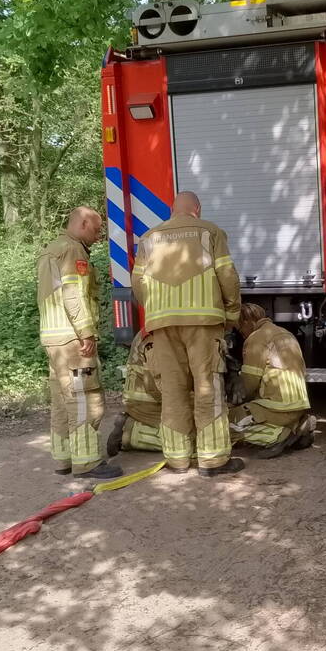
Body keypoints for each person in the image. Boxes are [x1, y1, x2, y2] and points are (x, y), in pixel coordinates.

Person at [132, 191, 243, 476]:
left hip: (162, 326)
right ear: (198, 209)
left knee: (172, 390)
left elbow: (137, 282)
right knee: (207, 387)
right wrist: (232, 313)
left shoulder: (148, 238)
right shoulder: (209, 231)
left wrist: (155, 310)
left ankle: (178, 459)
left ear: (171, 210)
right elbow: (227, 275)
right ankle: (213, 460)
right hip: (203, 322)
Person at [35, 207, 123, 479]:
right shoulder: (72, 251)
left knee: (63, 402)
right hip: (73, 340)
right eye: (96, 230)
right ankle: (87, 463)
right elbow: (73, 296)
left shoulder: (52, 248)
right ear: (84, 223)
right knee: (86, 399)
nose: (98, 237)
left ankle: (64, 459)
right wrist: (86, 332)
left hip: (53, 338)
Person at [229, 303, 316, 458]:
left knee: (225, 425)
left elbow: (249, 384)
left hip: (276, 407)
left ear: (248, 322)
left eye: (240, 327)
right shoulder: (285, 333)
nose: (240, 332)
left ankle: (279, 435)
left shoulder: (255, 339)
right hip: (299, 405)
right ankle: (300, 425)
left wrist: (233, 402)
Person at [106, 330, 163, 455]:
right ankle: (130, 433)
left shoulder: (156, 331)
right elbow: (156, 387)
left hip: (149, 401)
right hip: (148, 405)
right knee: (184, 440)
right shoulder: (153, 340)